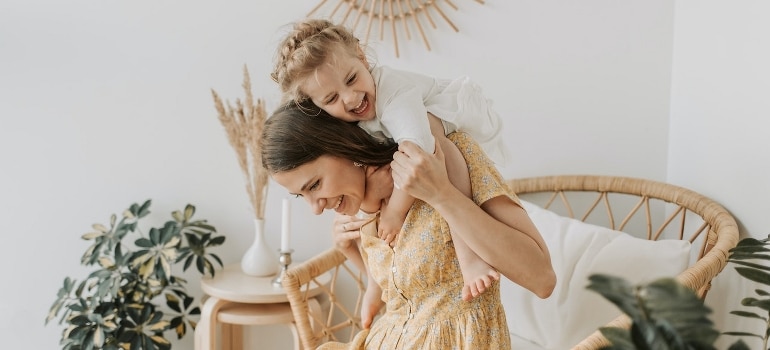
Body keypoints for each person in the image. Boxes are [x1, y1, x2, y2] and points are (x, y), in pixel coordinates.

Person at [260, 101, 555, 349]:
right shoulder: (363, 206)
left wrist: (442, 194)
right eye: (302, 195)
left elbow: (541, 278)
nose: (315, 208)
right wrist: (350, 250)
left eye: (315, 184)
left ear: (344, 147)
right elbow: (407, 295)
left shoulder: (446, 156)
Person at [270, 18, 510, 301]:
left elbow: (418, 150)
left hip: (455, 117)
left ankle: (470, 257)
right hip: (417, 140)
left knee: (435, 149)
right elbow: (372, 191)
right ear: (318, 107)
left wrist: (395, 211)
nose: (349, 98)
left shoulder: (393, 93)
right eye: (332, 98)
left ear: (362, 56)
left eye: (352, 79)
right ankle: (377, 285)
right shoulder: (347, 126)